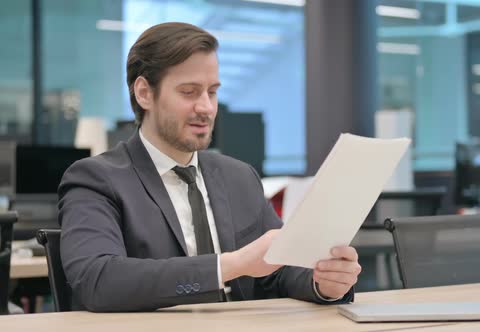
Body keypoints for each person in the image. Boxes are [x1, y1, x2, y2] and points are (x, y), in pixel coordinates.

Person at [58, 22, 361, 312]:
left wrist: (323, 282)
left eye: (212, 92)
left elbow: (276, 272)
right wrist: (230, 265)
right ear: (144, 93)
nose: (206, 107)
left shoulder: (238, 176)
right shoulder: (96, 179)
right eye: (189, 92)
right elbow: (99, 280)